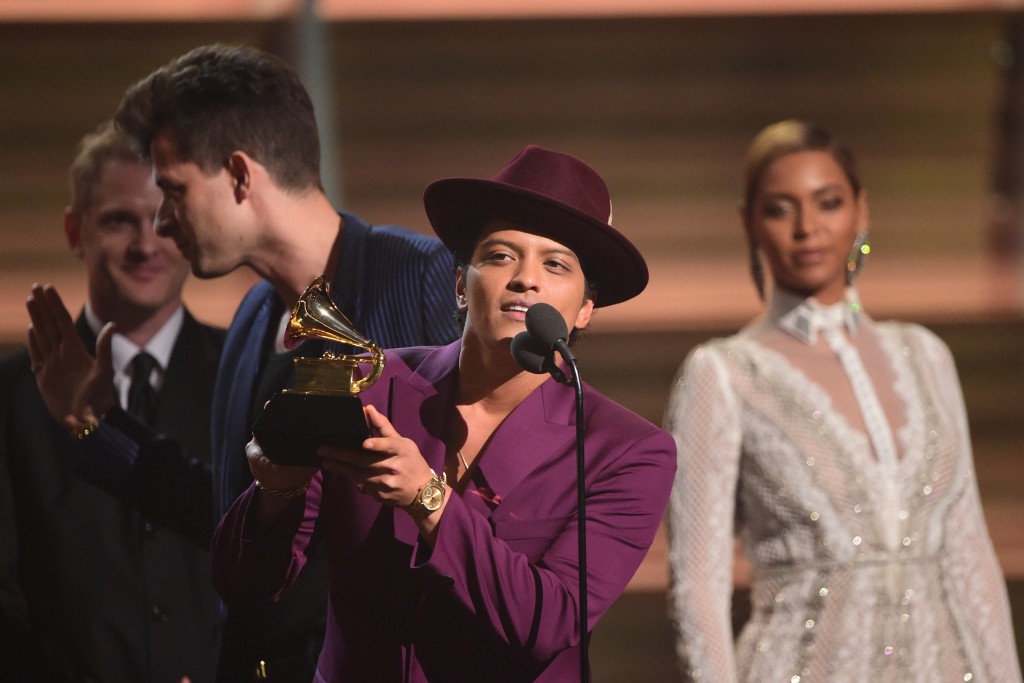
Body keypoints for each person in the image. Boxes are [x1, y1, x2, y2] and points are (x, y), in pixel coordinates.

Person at [26, 44, 460, 682]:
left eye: (173, 191)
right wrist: (96, 423)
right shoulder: (254, 316)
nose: (162, 222)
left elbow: (491, 505)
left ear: (238, 174)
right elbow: (234, 513)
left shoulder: (422, 278)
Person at [210, 144, 677, 682]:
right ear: (460, 285)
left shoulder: (629, 451)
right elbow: (246, 585)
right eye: (500, 256)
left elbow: (548, 624)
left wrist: (427, 499)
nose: (525, 279)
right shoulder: (368, 386)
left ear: (586, 308)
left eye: (555, 264)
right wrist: (275, 494)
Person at [665, 119, 1022, 682]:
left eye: (828, 203)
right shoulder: (723, 374)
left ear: (861, 210)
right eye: (780, 209)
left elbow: (969, 555)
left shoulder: (924, 355)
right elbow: (697, 584)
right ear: (749, 223)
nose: (807, 228)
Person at [0, 121, 223, 682]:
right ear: (75, 231)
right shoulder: (9, 396)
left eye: (162, 219)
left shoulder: (244, 375)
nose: (146, 245)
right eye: (120, 220)